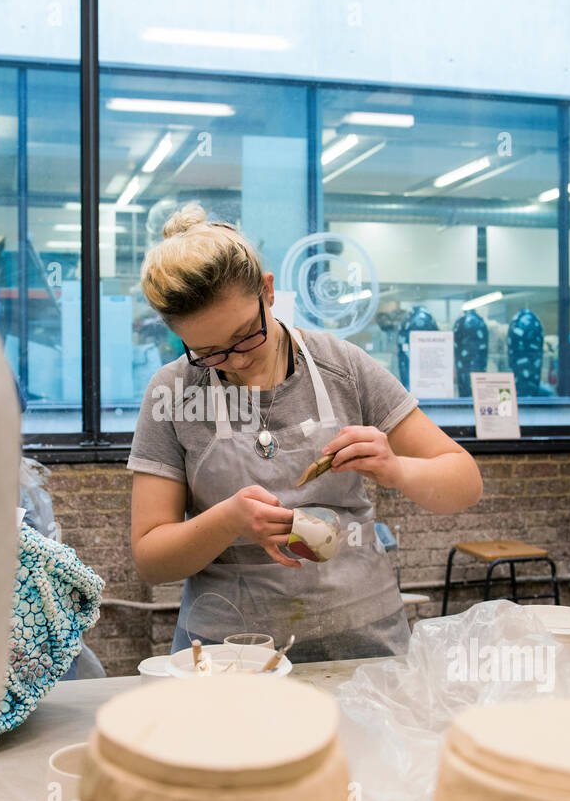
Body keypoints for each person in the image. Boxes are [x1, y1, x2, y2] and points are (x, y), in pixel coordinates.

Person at [127, 202, 483, 663]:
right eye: (210, 352)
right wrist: (228, 521)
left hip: (361, 642)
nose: (236, 361)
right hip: (229, 656)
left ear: (268, 291)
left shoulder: (344, 368)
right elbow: (152, 559)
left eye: (245, 336)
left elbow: (464, 484)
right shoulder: (174, 391)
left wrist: (396, 469)